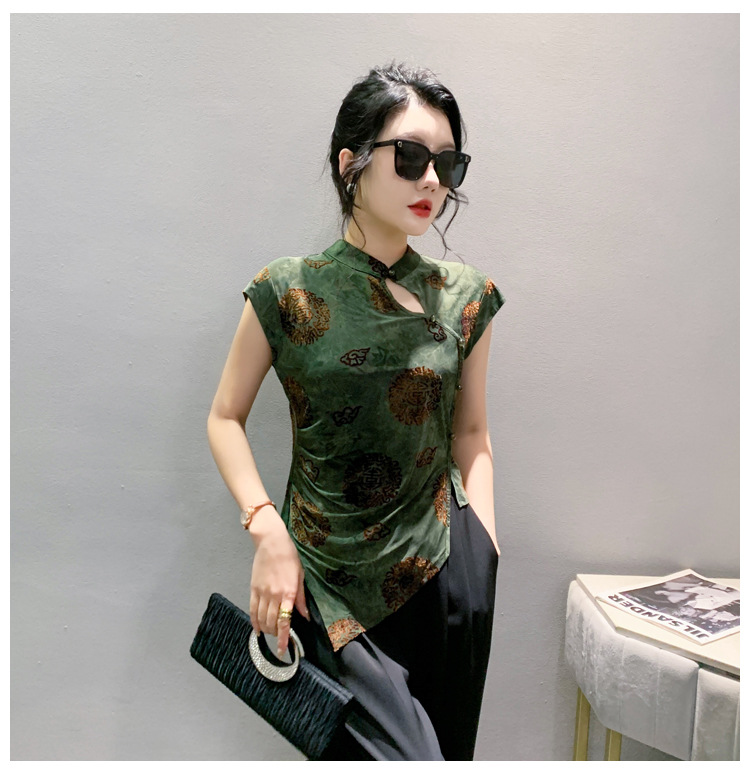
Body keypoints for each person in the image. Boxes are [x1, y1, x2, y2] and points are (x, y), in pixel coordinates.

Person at [207, 63, 505, 761]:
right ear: (351, 164)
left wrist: (485, 548)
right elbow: (224, 417)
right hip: (325, 581)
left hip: (448, 570)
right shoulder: (287, 291)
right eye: (410, 157)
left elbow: (471, 432)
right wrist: (266, 530)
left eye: (447, 164)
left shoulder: (465, 296)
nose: (431, 181)